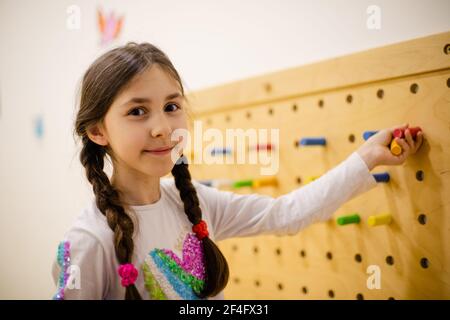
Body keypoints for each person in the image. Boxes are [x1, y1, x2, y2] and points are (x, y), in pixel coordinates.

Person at [52, 42, 423, 300]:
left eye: (171, 106)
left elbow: (287, 214)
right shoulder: (88, 241)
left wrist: (367, 157)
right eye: (137, 111)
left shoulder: (193, 204)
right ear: (98, 130)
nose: (162, 127)